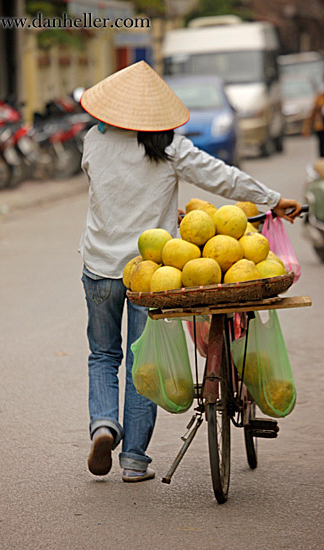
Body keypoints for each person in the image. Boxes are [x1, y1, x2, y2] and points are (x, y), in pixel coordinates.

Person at [78, 61, 301, 483]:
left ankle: (104, 426)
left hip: (98, 266)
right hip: (151, 272)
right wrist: (272, 199)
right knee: (144, 363)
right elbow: (223, 179)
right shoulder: (169, 147)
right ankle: (135, 461)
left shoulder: (94, 140)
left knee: (103, 355)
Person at [302, 87, 324, 157]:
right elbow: (311, 115)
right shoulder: (319, 99)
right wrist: (306, 128)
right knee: (322, 144)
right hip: (321, 127)